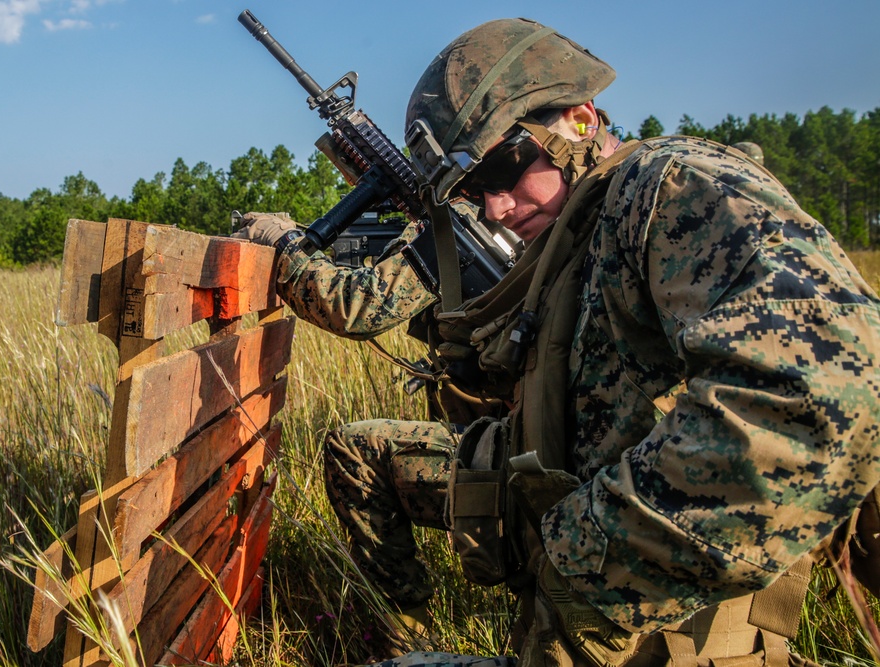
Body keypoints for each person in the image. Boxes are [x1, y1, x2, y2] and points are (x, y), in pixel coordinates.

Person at [236, 17, 880, 667]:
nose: (493, 207)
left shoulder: (665, 185)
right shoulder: (576, 234)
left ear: (579, 120)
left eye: (500, 170)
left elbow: (825, 392)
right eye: (468, 191)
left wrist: (581, 564)